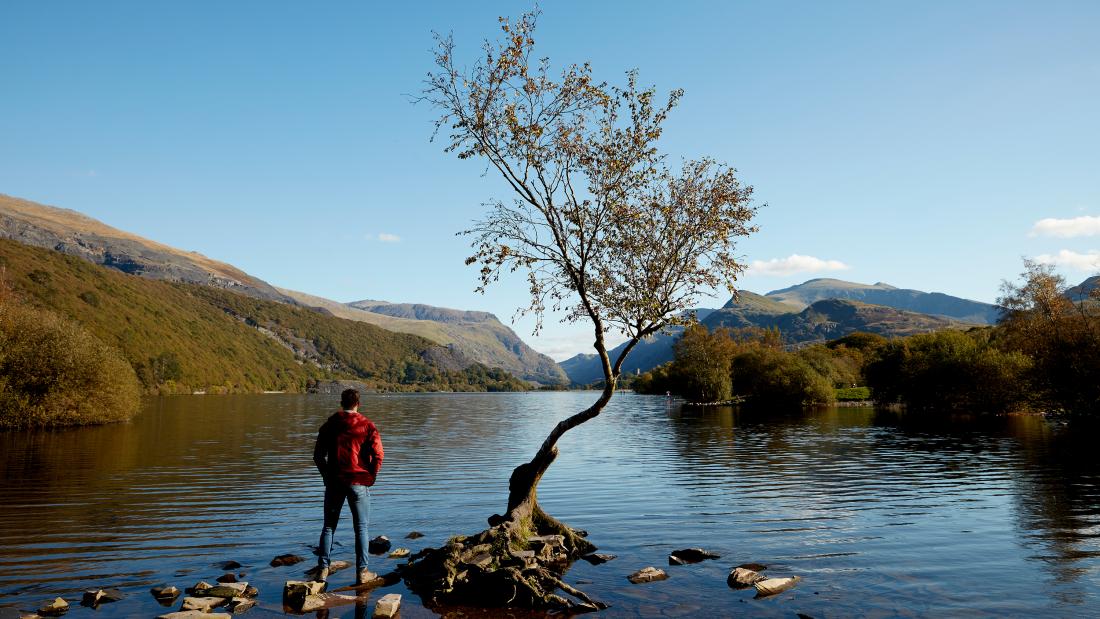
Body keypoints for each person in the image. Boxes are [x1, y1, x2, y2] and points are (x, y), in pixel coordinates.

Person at [313, 388, 384, 585]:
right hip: (359, 482)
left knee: (328, 527)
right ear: (358, 404)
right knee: (361, 528)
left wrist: (326, 476)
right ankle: (362, 572)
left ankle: (323, 571)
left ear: (341, 403)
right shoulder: (367, 425)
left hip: (335, 481)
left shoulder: (330, 424)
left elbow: (318, 456)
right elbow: (379, 455)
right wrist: (371, 476)